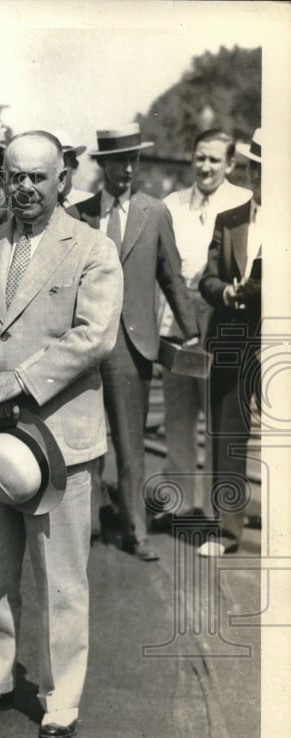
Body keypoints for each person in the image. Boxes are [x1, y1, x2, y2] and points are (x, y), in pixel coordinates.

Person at [0, 130, 123, 738]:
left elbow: (95, 336)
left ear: (61, 179)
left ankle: (58, 693)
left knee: (61, 575)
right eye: (14, 176)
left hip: (59, 437)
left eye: (37, 177)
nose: (23, 187)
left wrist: (19, 381)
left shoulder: (92, 248)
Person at [67, 122, 200, 562]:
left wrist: (191, 331)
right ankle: (82, 529)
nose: (127, 169)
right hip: (84, 344)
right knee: (82, 442)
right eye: (118, 161)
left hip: (133, 346)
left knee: (130, 445)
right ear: (103, 165)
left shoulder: (154, 212)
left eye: (133, 160)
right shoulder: (78, 214)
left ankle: (135, 531)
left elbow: (172, 277)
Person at [156, 130, 252, 526]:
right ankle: (179, 507)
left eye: (215, 160)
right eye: (199, 158)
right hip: (177, 331)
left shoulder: (243, 205)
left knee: (218, 425)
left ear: (230, 164)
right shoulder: (172, 204)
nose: (205, 167)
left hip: (220, 332)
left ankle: (218, 512)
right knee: (177, 420)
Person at [197, 128, 263, 557]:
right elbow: (207, 277)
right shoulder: (231, 218)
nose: (264, 178)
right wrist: (223, 291)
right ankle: (227, 531)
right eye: (258, 169)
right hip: (234, 336)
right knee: (227, 435)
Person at [51, 129, 93, 207]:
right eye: (52, 164)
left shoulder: (89, 201)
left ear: (74, 166)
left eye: (63, 163)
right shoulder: (41, 207)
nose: (58, 171)